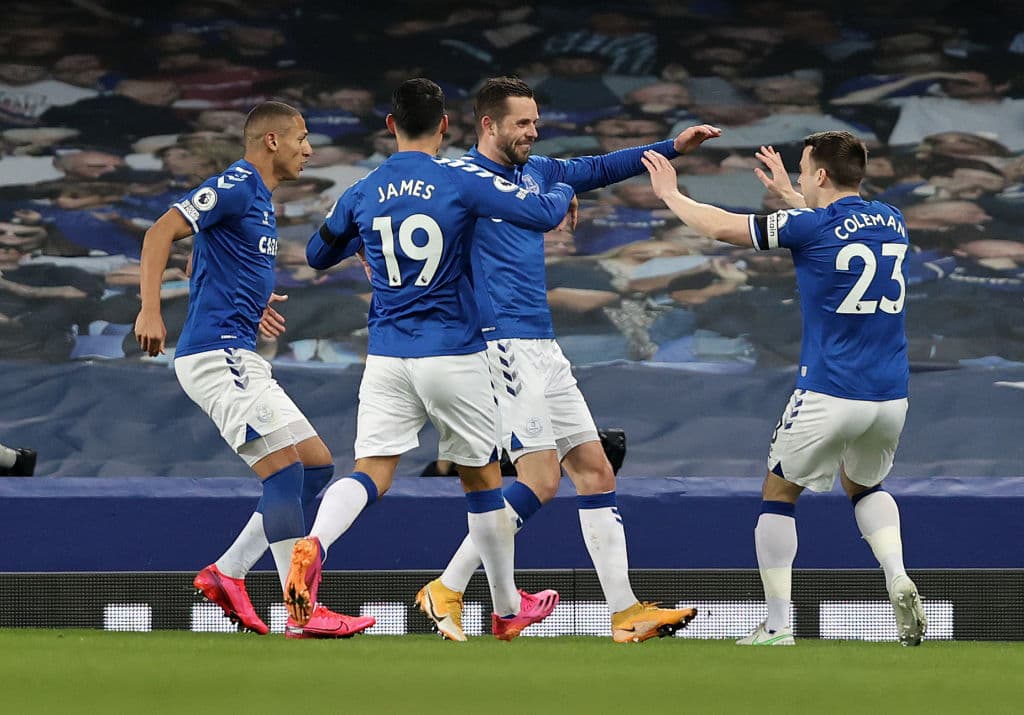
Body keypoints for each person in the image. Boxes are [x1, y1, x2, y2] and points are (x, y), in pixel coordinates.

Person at [413, 77, 716, 644]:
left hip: (543, 345)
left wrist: (672, 147)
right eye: (522, 123)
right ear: (489, 124)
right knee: (541, 479)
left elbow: (600, 167)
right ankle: (447, 586)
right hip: (500, 344)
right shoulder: (458, 179)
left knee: (595, 470)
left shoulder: (539, 172)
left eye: (535, 121)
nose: (533, 131)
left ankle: (625, 612)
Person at [283, 78, 573, 640]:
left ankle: (315, 543)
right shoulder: (458, 181)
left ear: (390, 126)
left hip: (387, 355)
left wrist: (364, 240)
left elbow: (318, 254)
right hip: (453, 353)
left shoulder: (363, 189)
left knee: (371, 472)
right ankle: (507, 607)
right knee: (483, 482)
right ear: (445, 126)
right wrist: (563, 187)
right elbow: (541, 215)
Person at [642, 131, 927, 646]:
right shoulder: (891, 219)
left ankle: (776, 625)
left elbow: (722, 226)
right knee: (865, 487)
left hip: (828, 389)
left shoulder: (809, 225)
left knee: (779, 494)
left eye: (802, 169)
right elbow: (835, 226)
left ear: (820, 174)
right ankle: (896, 573)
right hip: (890, 396)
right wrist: (791, 196)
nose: (798, 176)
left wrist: (671, 194)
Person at [133, 100, 375, 640]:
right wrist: (149, 309)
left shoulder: (260, 200)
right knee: (284, 473)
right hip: (217, 356)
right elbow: (159, 234)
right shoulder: (237, 184)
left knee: (315, 466)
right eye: (301, 138)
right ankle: (303, 611)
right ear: (272, 141)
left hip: (238, 352)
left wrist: (248, 297)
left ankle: (229, 571)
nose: (308, 149)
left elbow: (201, 258)